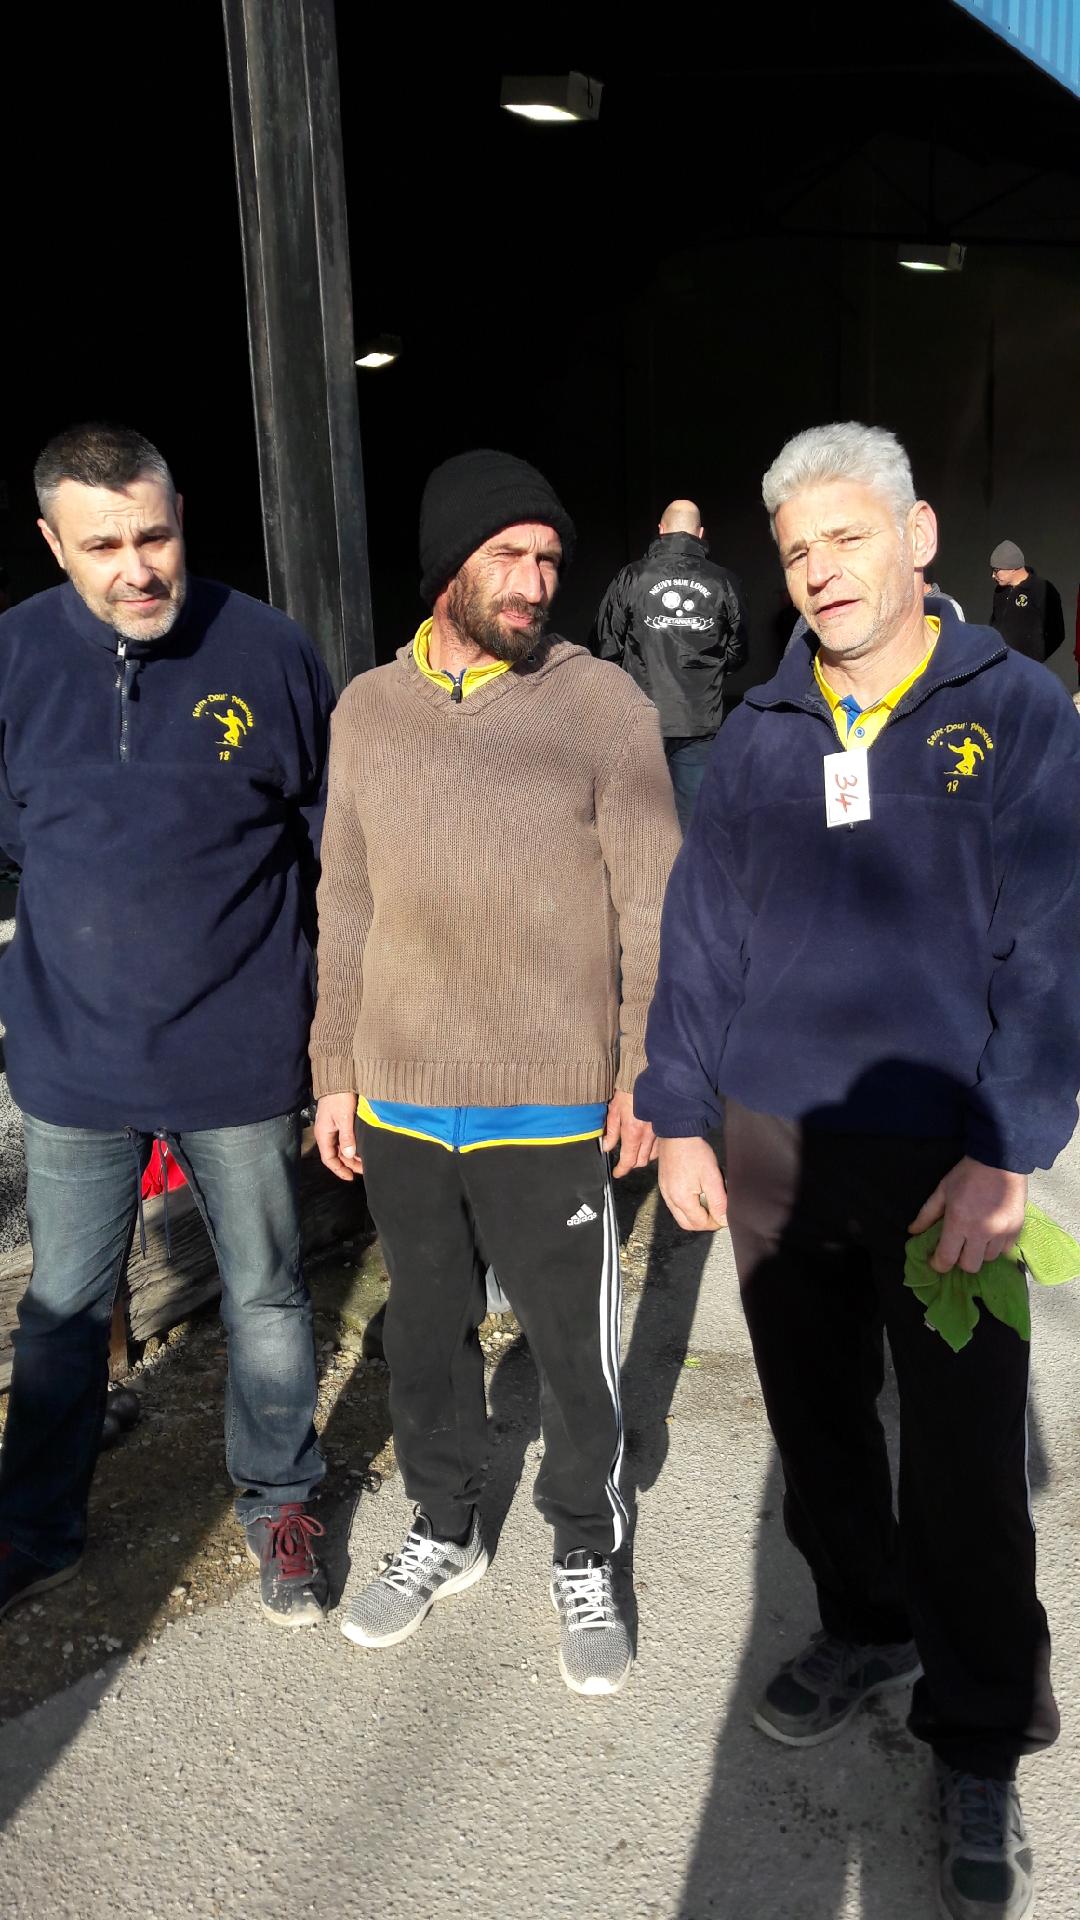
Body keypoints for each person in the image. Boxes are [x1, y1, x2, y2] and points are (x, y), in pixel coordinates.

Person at [635, 422, 1080, 1920]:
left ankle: (981, 1730)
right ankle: (867, 1621)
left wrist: (1008, 1150)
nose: (821, 571)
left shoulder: (1013, 710)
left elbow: (1053, 944)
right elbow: (704, 926)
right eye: (797, 550)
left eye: (846, 537)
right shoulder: (764, 725)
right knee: (819, 1425)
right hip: (774, 1141)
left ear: (918, 535)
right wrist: (678, 1110)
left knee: (965, 1455)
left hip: (947, 1153)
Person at [311, 449, 680, 1696]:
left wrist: (645, 1068)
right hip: (402, 1094)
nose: (535, 582)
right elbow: (345, 898)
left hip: (550, 1096)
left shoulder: (602, 706)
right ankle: (445, 1525)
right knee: (425, 1334)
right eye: (508, 556)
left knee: (572, 1347)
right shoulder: (368, 710)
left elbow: (652, 903)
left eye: (549, 559)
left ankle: (585, 1546)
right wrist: (332, 1068)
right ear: (447, 569)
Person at [0, 424, 335, 1628]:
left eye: (154, 535)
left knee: (266, 1294)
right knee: (62, 1312)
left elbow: (327, 842)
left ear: (181, 515)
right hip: (74, 1060)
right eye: (104, 547)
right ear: (54, 545)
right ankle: (35, 1530)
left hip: (238, 1052)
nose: (138, 568)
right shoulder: (14, 657)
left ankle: (280, 1501)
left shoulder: (269, 650)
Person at [594, 499, 747, 830]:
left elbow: (606, 646)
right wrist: (710, 672)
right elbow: (739, 650)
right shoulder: (724, 581)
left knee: (640, 819)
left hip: (642, 718)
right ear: (701, 534)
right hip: (700, 719)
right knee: (693, 821)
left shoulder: (631, 577)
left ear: (661, 530)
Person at [989, 540, 1064, 662]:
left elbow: (1057, 633)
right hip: (1001, 664)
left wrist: (1034, 660)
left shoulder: (1042, 589)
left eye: (996, 570)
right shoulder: (1000, 591)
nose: (993, 575)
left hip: (1026, 666)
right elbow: (995, 624)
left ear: (1012, 568)